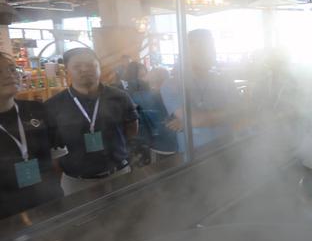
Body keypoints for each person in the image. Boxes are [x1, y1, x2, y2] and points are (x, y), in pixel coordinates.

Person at [45, 48, 139, 195]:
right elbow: (53, 150)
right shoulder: (53, 105)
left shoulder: (120, 97)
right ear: (67, 70)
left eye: (90, 64)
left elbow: (132, 127)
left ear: (99, 66)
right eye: (77, 66)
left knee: (129, 215)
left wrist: (120, 150)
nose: (84, 69)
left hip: (120, 174)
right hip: (77, 182)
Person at [0, 53, 63, 218]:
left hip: (49, 203)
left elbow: (57, 157)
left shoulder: (37, 109)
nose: (9, 75)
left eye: (12, 69)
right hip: (7, 217)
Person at [161, 29, 241, 151]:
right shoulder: (172, 84)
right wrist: (192, 121)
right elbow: (195, 119)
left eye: (211, 48)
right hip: (195, 154)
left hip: (228, 145)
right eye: (202, 50)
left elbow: (240, 111)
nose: (210, 54)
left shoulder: (224, 79)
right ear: (186, 54)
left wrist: (188, 123)